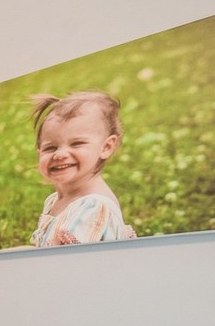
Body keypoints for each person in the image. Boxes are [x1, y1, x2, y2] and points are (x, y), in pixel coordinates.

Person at [29, 91, 137, 248]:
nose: (59, 154)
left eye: (76, 143)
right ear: (39, 153)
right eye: (50, 148)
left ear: (106, 147)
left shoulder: (94, 207)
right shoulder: (55, 200)